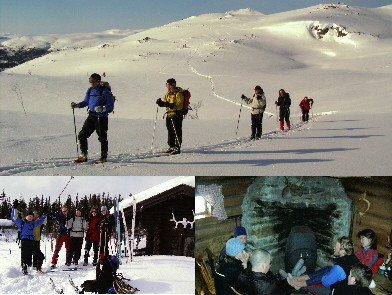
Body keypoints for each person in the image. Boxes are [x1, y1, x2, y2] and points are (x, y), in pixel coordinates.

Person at [288, 236, 360, 293]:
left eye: (336, 247)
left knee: (325, 275)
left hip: (336, 290)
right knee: (328, 268)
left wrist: (326, 275)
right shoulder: (352, 257)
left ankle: (300, 284)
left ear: (342, 250)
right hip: (345, 283)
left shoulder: (339, 268)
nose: (334, 248)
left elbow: (326, 283)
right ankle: (300, 278)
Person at [71, 73, 114, 163]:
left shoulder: (104, 91)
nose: (91, 83)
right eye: (90, 81)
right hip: (91, 116)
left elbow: (110, 105)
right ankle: (84, 155)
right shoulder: (90, 90)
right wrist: (77, 105)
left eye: (93, 81)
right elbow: (86, 102)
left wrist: (102, 108)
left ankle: (103, 157)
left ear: (98, 81)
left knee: (102, 137)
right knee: (82, 135)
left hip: (101, 117)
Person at [11, 206, 46, 275]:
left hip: (33, 242)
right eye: (29, 216)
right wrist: (14, 208)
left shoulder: (33, 223)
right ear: (26, 216)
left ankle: (38, 269)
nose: (30, 217)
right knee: (25, 257)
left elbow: (41, 221)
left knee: (41, 256)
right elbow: (13, 217)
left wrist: (44, 214)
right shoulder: (21, 222)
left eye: (31, 216)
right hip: (25, 241)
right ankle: (25, 271)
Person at [156, 78, 185, 155]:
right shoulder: (168, 94)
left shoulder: (179, 94)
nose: (166, 85)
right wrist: (161, 103)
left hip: (177, 115)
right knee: (170, 130)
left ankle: (177, 148)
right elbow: (166, 103)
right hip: (169, 114)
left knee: (177, 131)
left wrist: (169, 105)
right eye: (166, 84)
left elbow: (179, 106)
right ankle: (171, 146)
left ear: (172, 85)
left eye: (168, 84)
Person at [51, 204, 74, 268]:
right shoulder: (60, 215)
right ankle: (53, 263)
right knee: (57, 248)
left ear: (67, 210)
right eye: (63, 211)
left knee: (68, 248)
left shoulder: (70, 216)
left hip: (68, 234)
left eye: (65, 211)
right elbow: (53, 215)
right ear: (61, 210)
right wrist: (53, 208)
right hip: (61, 233)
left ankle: (68, 262)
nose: (64, 212)